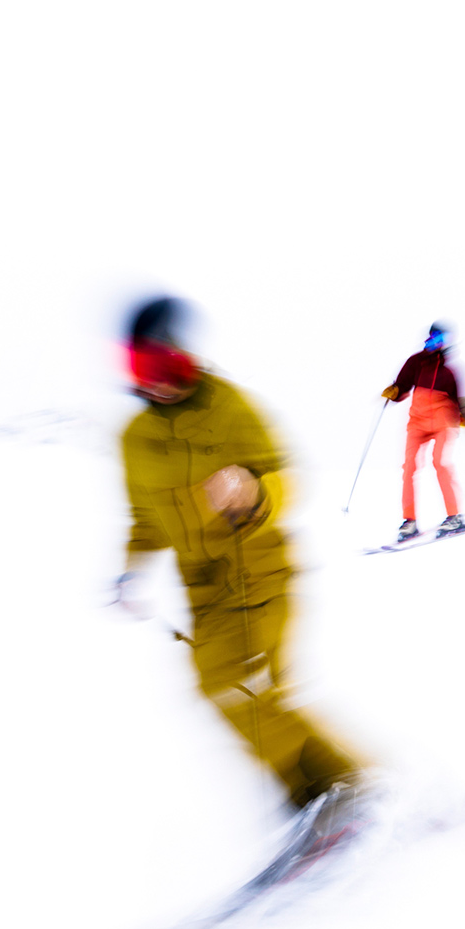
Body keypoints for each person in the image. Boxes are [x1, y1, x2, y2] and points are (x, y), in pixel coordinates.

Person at [116, 295, 366, 814]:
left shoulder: (229, 407)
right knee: (237, 694)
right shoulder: (135, 439)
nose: (155, 380)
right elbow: (145, 520)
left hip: (259, 573)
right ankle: (325, 795)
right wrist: (132, 572)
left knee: (237, 689)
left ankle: (338, 789)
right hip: (203, 596)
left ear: (186, 355)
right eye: (141, 366)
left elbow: (288, 479)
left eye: (165, 363)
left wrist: (255, 490)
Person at [381, 320, 465, 542]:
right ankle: (410, 521)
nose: (437, 343)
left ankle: (454, 516)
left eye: (442, 339)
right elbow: (401, 386)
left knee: (440, 463)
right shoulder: (415, 363)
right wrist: (394, 391)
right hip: (417, 422)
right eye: (434, 338)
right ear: (429, 338)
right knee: (409, 467)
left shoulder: (450, 371)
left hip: (442, 422)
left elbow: (462, 401)